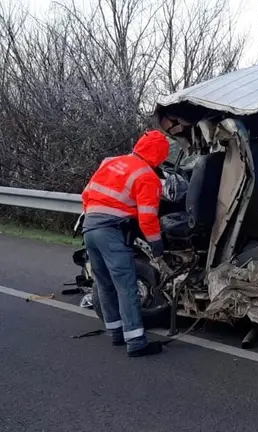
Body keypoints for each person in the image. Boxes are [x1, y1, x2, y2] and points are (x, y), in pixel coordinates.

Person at [81, 130, 170, 357]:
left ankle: (117, 334)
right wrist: (156, 244)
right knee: (126, 286)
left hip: (89, 227)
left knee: (105, 284)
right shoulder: (146, 176)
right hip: (110, 232)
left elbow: (86, 194)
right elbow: (148, 217)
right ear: (160, 155)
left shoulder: (111, 162)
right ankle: (137, 343)